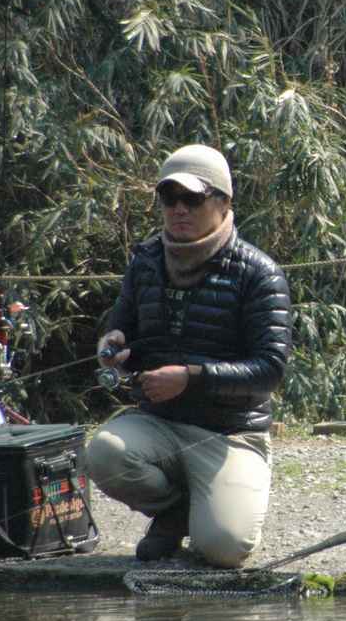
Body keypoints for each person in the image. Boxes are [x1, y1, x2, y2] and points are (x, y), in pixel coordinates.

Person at [86, 143, 292, 565]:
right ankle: (175, 511)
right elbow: (119, 332)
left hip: (231, 433)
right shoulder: (144, 262)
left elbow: (270, 370)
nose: (179, 209)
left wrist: (192, 376)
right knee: (102, 452)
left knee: (224, 548)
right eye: (169, 198)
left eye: (192, 198)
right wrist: (111, 351)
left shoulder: (259, 273)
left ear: (223, 203)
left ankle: (205, 507)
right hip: (157, 424)